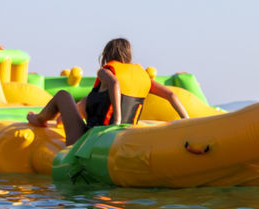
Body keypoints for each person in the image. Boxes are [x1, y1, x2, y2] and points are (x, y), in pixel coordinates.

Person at [27, 37, 189, 145]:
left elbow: (114, 83)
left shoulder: (105, 72)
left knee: (63, 95)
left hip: (92, 138)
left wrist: (116, 120)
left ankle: (39, 119)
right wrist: (186, 121)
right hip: (125, 136)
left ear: (106, 55)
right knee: (84, 101)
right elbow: (171, 95)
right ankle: (187, 121)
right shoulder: (143, 77)